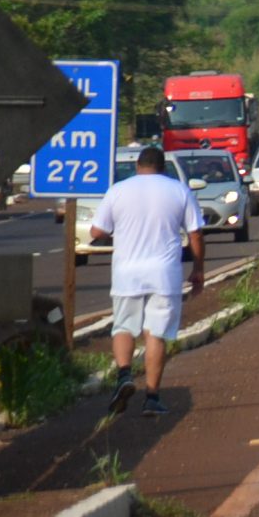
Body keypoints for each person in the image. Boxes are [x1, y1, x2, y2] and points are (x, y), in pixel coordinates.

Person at [92, 146, 205, 418]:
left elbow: (97, 230)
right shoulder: (179, 191)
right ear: (163, 167)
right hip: (164, 274)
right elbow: (196, 234)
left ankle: (124, 375)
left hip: (126, 273)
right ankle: (152, 397)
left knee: (123, 326)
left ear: (137, 166)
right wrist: (198, 269)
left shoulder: (118, 190)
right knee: (156, 334)